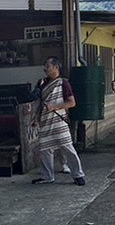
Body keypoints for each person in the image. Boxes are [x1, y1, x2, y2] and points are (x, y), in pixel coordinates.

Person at [28, 58, 86, 186]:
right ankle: (47, 176)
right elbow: (40, 103)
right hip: (45, 122)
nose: (45, 68)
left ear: (56, 67)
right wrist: (36, 119)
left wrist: (54, 106)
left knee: (68, 149)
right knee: (45, 150)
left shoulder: (63, 83)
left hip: (59, 122)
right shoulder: (42, 83)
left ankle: (78, 175)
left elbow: (71, 102)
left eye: (48, 66)